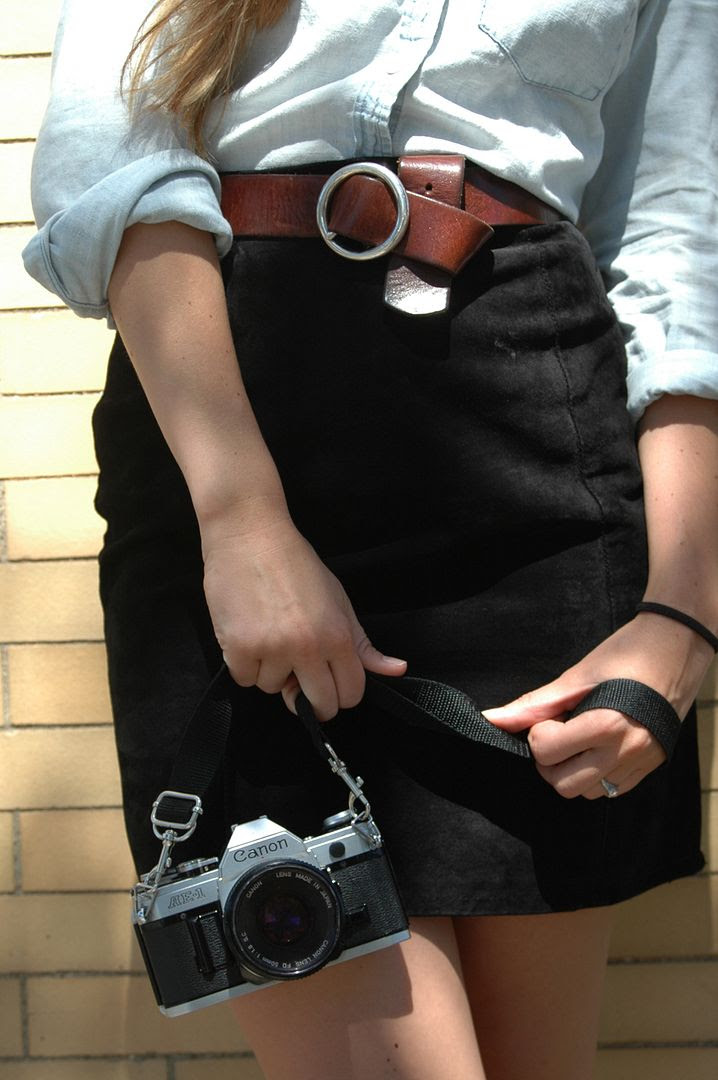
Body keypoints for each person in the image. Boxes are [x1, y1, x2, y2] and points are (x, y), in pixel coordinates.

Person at [23, 1, 718, 1077]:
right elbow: (115, 159)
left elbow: (679, 234)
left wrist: (683, 612)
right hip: (232, 435)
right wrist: (241, 516)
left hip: (541, 465)